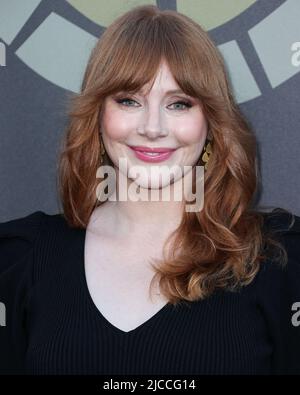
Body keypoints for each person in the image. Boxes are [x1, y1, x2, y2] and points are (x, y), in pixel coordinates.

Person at [1, 4, 300, 375]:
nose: (153, 127)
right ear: (97, 114)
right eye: (129, 100)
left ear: (210, 121)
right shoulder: (19, 260)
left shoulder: (278, 259)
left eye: (178, 103)